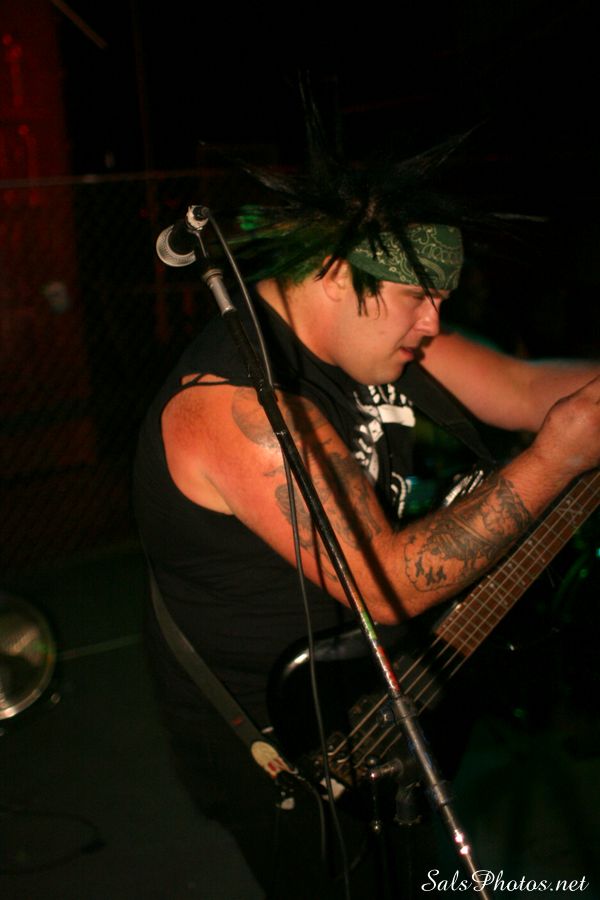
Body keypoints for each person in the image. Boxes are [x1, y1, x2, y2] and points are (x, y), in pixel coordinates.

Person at [133, 147, 600, 897]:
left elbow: (521, 387)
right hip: (288, 747)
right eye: (417, 296)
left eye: (440, 298)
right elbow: (384, 584)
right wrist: (556, 458)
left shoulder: (381, 333)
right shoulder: (235, 403)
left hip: (384, 693)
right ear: (332, 273)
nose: (433, 323)